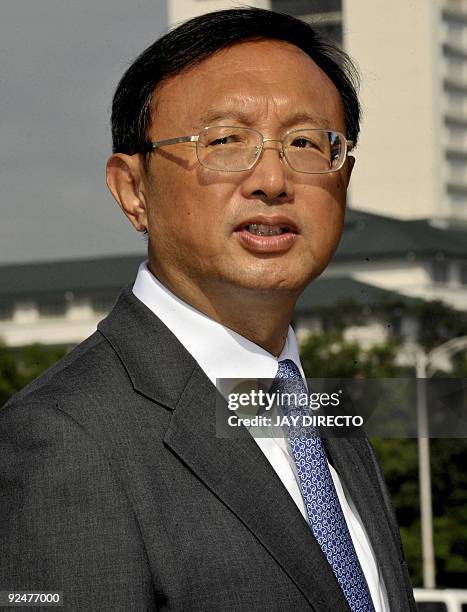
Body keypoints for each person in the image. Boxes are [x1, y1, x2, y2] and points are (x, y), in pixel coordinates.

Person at [0, 8, 416, 611]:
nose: (272, 178)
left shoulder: (320, 415)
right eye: (225, 141)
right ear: (133, 190)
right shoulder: (66, 440)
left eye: (305, 142)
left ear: (343, 177)